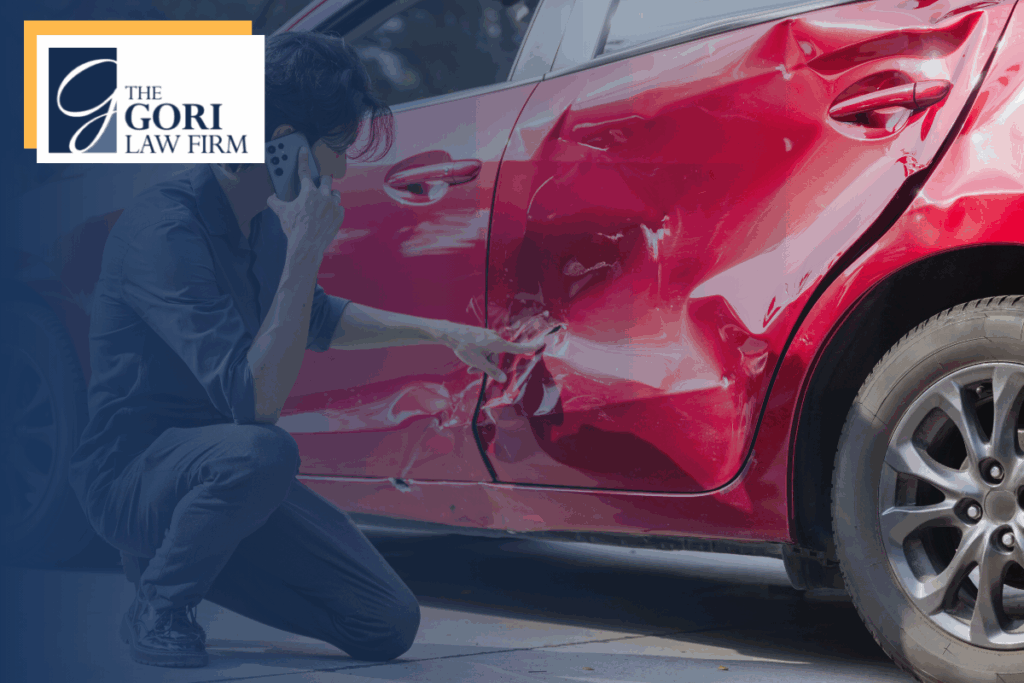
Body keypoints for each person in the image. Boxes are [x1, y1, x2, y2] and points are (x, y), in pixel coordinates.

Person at [67, 31, 543, 669]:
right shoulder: (165, 231)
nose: (342, 171)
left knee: (385, 624)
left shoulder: (256, 219)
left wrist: (446, 333)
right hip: (132, 479)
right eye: (336, 149)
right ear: (283, 141)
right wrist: (305, 248)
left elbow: (317, 317)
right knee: (265, 450)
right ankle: (161, 603)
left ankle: (181, 552)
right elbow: (254, 402)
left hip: (222, 477)